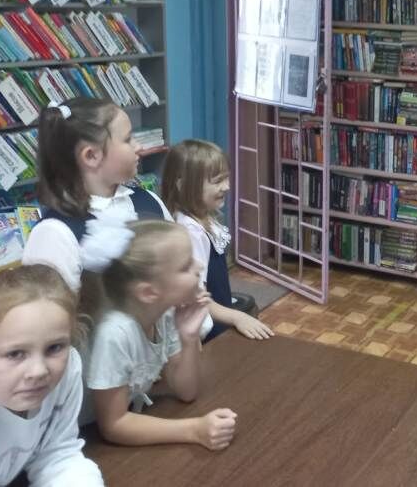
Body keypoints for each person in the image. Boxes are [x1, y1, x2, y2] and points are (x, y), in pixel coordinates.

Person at [80, 217, 237, 449]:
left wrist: (189, 338)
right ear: (148, 292)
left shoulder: (163, 314)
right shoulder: (115, 333)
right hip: (87, 439)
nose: (199, 267)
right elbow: (113, 425)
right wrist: (194, 430)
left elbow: (186, 391)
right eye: (186, 266)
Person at [0, 264, 103, 485]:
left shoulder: (67, 369)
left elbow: (57, 452)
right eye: (15, 353)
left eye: (54, 348)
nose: (39, 371)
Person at [23, 98, 171, 293]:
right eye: (128, 139)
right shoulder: (54, 234)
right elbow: (48, 307)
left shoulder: (149, 200)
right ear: (91, 156)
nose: (139, 147)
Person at [160, 140, 272, 341]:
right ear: (183, 185)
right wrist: (237, 317)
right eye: (218, 181)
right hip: (209, 331)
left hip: (218, 318)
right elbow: (196, 297)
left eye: (226, 178)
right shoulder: (190, 232)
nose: (227, 186)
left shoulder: (203, 218)